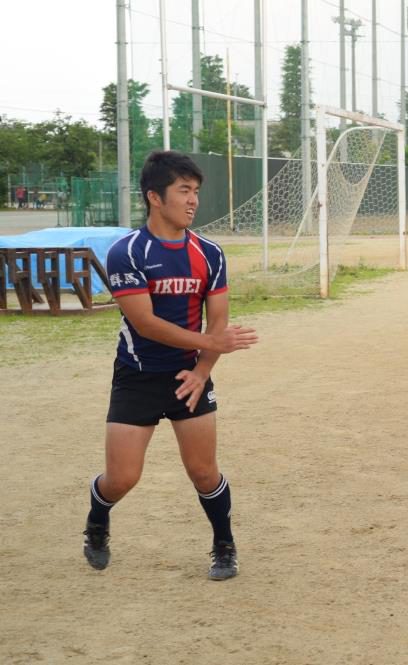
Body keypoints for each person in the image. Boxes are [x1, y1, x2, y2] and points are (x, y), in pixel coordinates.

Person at [82, 150, 258, 580]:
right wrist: (210, 343)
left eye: (196, 191)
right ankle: (97, 520)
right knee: (122, 478)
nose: (193, 200)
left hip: (189, 377)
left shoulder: (210, 254)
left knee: (203, 472)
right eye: (184, 191)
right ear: (155, 198)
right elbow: (144, 323)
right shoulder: (127, 252)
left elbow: (218, 321)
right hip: (137, 377)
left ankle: (224, 545)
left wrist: (202, 370)